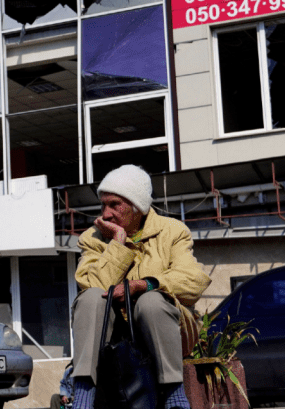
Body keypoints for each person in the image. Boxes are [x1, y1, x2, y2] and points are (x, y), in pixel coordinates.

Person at [71, 164, 211, 409]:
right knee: (91, 298)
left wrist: (145, 285)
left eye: (115, 204)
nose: (106, 214)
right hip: (112, 334)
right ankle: (82, 398)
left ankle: (174, 396)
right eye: (103, 205)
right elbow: (91, 285)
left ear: (137, 206)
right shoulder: (92, 237)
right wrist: (118, 243)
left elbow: (194, 279)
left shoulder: (173, 231)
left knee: (152, 300)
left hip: (166, 328)